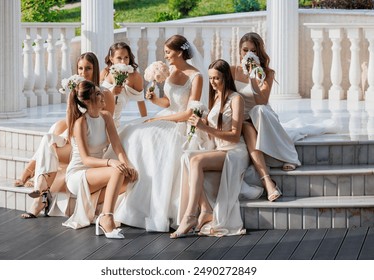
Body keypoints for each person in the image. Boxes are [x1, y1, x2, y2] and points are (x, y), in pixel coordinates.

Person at [107, 34, 205, 232]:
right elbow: (168, 103)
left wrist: (160, 118)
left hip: (180, 124)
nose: (166, 56)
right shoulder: (172, 70)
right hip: (167, 114)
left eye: (168, 52)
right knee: (132, 131)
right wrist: (153, 100)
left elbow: (188, 112)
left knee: (155, 138)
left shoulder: (196, 76)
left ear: (179, 52)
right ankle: (126, 183)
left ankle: (151, 205)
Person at [20, 52, 115, 218]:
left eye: (88, 68)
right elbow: (71, 125)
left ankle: (39, 195)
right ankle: (40, 190)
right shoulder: (76, 91)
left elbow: (104, 121)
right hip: (74, 138)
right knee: (48, 139)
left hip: (91, 142)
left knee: (50, 143)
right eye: (80, 68)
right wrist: (72, 100)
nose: (83, 73)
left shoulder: (104, 93)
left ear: (95, 69)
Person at [172, 59, 247, 238]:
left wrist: (206, 127)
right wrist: (201, 124)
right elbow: (214, 130)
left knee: (196, 160)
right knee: (185, 157)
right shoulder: (215, 97)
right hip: (220, 148)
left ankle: (190, 215)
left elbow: (235, 135)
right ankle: (205, 208)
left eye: (216, 79)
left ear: (226, 78)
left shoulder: (236, 99)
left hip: (234, 151)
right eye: (211, 78)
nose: (212, 83)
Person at [62, 80, 137, 239]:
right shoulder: (80, 123)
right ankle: (106, 218)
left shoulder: (106, 116)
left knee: (129, 178)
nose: (102, 95)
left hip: (96, 172)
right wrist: (111, 162)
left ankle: (96, 209)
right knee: (117, 172)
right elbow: (86, 159)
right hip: (78, 174)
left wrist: (128, 165)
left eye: (100, 91)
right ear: (87, 101)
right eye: (97, 93)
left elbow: (117, 146)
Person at [231, 32, 300, 202]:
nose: (248, 54)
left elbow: (261, 100)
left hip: (262, 116)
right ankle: (268, 182)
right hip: (242, 119)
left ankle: (288, 157)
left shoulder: (267, 73)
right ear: (239, 51)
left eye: (252, 51)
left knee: (258, 111)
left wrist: (252, 77)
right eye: (244, 50)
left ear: (258, 52)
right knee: (247, 124)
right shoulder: (232, 70)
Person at [100, 42, 147, 128]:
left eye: (126, 57)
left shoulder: (135, 77)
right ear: (111, 59)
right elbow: (95, 98)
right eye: (119, 58)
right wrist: (111, 93)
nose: (123, 62)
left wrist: (146, 122)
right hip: (98, 119)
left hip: (114, 125)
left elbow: (141, 102)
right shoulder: (105, 73)